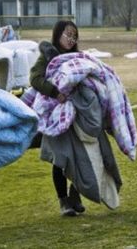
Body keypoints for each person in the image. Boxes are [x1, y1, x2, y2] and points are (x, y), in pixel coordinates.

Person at [30, 20, 85, 216]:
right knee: (60, 158)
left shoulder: (77, 58)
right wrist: (55, 92)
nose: (71, 39)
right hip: (54, 116)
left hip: (75, 114)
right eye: (67, 34)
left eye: (74, 36)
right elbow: (35, 79)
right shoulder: (47, 57)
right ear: (58, 34)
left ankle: (75, 194)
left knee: (80, 156)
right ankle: (64, 201)